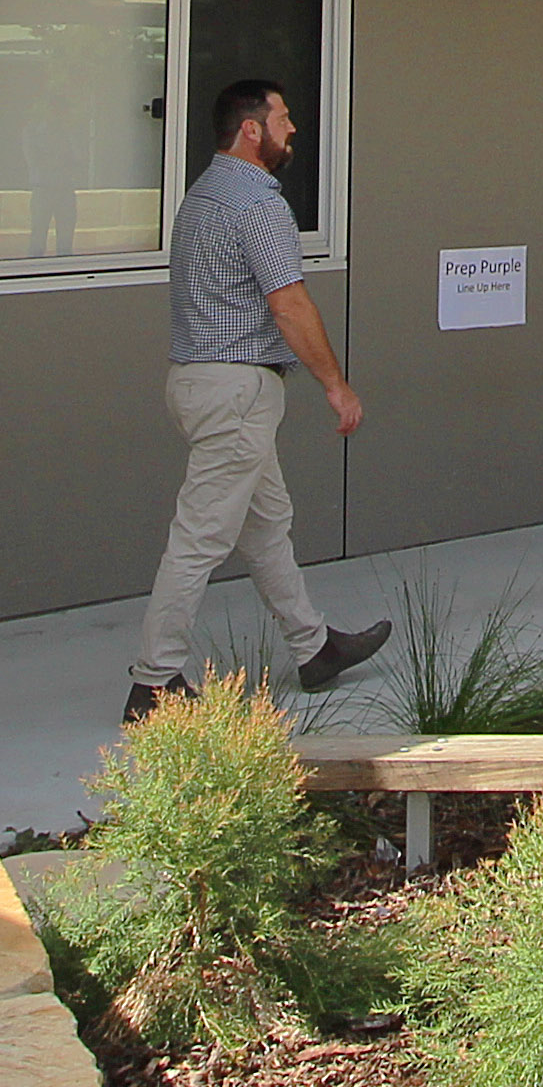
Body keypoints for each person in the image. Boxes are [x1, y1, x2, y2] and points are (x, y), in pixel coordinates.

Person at [127, 78, 392, 722]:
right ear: (252, 129)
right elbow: (289, 302)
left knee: (267, 524)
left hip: (198, 382)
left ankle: (313, 646)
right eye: (283, 116)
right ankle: (154, 682)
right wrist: (336, 384)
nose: (293, 127)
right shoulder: (258, 204)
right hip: (237, 390)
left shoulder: (202, 195)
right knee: (199, 536)